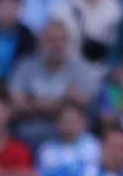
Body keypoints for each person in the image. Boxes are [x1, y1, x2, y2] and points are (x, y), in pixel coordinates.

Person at [8, 17, 97, 147]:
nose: (57, 44)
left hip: (70, 142)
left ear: (68, 42)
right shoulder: (25, 66)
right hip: (27, 139)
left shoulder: (80, 69)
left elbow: (89, 105)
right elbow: (14, 105)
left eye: (61, 39)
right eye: (51, 40)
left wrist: (34, 101)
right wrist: (63, 103)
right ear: (40, 42)